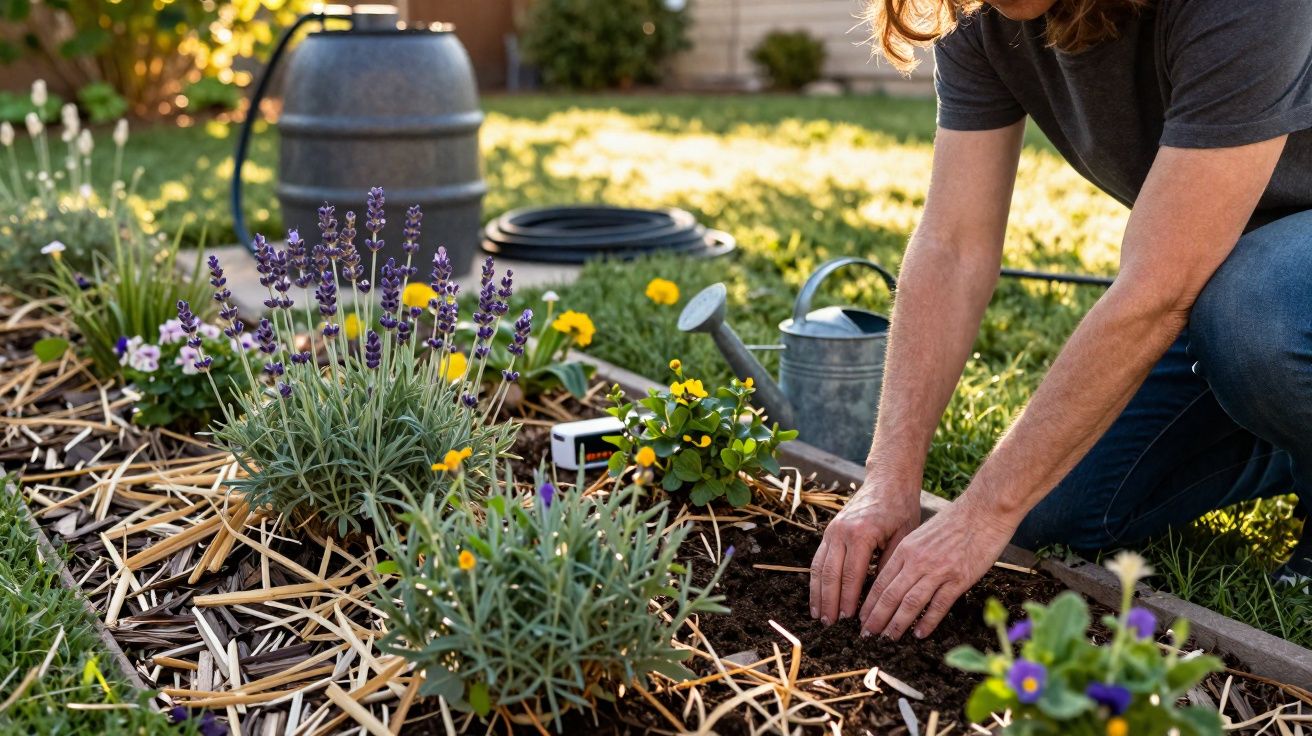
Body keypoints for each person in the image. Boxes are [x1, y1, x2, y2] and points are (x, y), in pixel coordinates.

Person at [810, 0, 1311, 641]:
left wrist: (981, 512)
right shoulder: (979, 15)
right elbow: (954, 245)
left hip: (1257, 293)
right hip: (1223, 281)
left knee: (1255, 313)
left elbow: (1160, 286)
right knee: (1052, 510)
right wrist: (889, 478)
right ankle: (1287, 428)